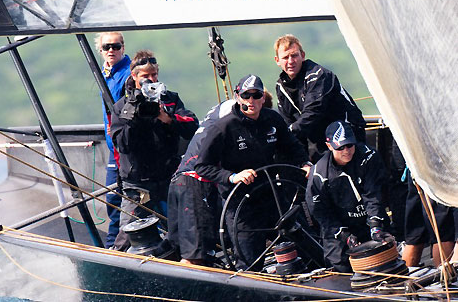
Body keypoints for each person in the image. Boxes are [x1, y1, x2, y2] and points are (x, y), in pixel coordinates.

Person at [195, 74, 311, 270]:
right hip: (241, 204)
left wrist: (304, 163)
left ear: (263, 98)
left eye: (256, 95)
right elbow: (202, 167)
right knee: (250, 264)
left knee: (305, 246)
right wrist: (232, 177)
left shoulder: (273, 119)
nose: (251, 101)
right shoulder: (223, 127)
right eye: (246, 96)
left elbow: (292, 146)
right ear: (238, 96)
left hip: (272, 195)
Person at [168, 90, 274, 266]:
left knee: (180, 251)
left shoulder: (220, 110)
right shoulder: (232, 115)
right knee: (195, 258)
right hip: (196, 184)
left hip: (180, 181)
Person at [110, 50, 198, 251]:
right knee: (128, 234)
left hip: (169, 176)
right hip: (138, 183)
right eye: (145, 76)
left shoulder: (170, 99)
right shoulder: (121, 107)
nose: (150, 80)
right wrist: (134, 117)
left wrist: (168, 119)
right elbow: (121, 144)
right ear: (134, 77)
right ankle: (118, 265)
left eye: (154, 75)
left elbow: (193, 125)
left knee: (183, 227)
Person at [306, 121, 392, 272]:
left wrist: (376, 226)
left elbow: (374, 194)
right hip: (338, 228)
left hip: (367, 221)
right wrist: (343, 234)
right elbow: (320, 211)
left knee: (384, 260)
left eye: (350, 145)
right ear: (329, 146)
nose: (346, 151)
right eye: (340, 147)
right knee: (341, 269)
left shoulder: (369, 157)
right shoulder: (319, 174)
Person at [274, 34, 366, 162]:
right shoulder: (281, 86)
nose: (290, 61)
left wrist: (286, 133)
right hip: (317, 137)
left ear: (303, 55)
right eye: (285, 57)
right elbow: (288, 121)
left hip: (347, 134)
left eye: (294, 55)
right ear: (277, 60)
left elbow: (312, 113)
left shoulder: (318, 75)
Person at [95, 32, 132, 248]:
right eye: (107, 47)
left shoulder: (128, 75)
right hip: (113, 147)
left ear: (123, 48)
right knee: (113, 198)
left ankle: (117, 245)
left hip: (126, 147)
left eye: (116, 46)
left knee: (126, 199)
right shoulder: (105, 73)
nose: (111, 50)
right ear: (100, 51)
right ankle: (113, 245)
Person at [402, 170, 455, 267]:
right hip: (434, 168)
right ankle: (447, 278)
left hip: (414, 166)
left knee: (416, 235)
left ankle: (403, 278)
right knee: (442, 232)